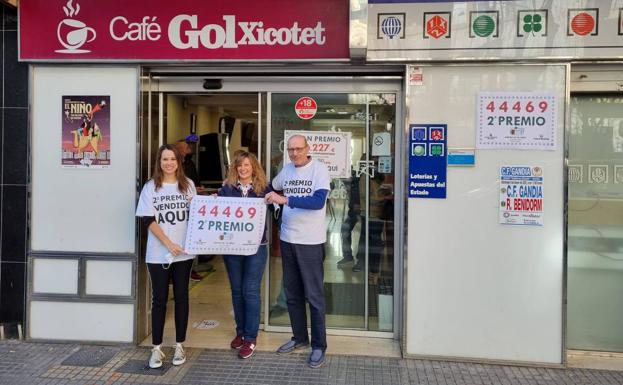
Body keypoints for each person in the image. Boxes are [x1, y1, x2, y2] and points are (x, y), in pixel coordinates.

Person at [264, 134, 331, 369]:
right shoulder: (287, 170)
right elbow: (269, 188)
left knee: (314, 296)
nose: (294, 154)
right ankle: (300, 338)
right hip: (288, 239)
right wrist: (272, 200)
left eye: (298, 149)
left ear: (307, 148)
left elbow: (317, 202)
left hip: (310, 241)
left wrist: (284, 199)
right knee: (292, 294)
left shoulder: (319, 170)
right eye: (291, 150)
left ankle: (319, 346)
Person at [135, 144, 196, 369]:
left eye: (172, 159)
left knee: (182, 298)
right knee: (159, 300)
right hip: (158, 253)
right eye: (164, 159)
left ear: (179, 162)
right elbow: (147, 219)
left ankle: (180, 344)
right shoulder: (151, 187)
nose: (168, 163)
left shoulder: (188, 185)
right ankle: (157, 348)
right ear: (159, 163)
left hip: (184, 253)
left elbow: (197, 217)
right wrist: (168, 243)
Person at [217, 151, 269, 359]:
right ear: (235, 168)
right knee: (237, 290)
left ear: (254, 167)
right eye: (239, 165)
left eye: (247, 165)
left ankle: (250, 337)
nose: (243, 168)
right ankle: (240, 332)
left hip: (257, 247)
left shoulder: (264, 189)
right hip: (232, 248)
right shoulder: (227, 189)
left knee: (250, 290)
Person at [176, 138, 206, 282]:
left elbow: (193, 182)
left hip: (192, 207)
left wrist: (197, 189)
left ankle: (190, 269)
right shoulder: (179, 167)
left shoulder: (190, 163)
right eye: (185, 148)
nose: (189, 150)